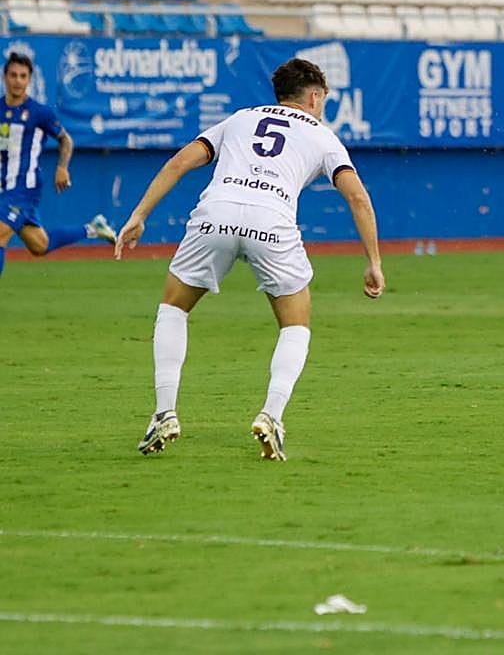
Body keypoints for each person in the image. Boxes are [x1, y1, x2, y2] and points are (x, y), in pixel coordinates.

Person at [115, 58, 385, 461]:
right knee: (296, 323)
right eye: (323, 99)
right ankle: (271, 415)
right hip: (270, 221)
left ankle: (164, 412)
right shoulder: (323, 135)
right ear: (314, 97)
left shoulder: (239, 119)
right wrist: (373, 261)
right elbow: (357, 196)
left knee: (173, 308)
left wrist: (139, 215)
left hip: (216, 215)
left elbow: (179, 163)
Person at [0, 51, 115, 277]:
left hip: (24, 188)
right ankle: (93, 228)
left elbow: (65, 140)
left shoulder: (38, 112)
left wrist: (62, 167)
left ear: (29, 80)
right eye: (13, 75)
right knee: (39, 245)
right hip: (3, 188)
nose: (18, 81)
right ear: (5, 77)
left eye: (23, 76)